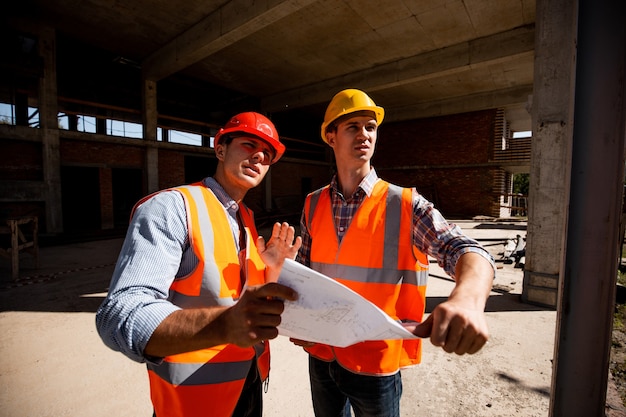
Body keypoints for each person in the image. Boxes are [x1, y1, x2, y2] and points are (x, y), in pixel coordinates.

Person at [291, 89, 496, 417]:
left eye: (370, 127)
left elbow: (467, 249)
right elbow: (306, 272)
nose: (364, 134)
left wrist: (468, 300)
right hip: (322, 354)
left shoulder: (404, 204)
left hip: (375, 363)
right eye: (353, 127)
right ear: (331, 137)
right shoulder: (313, 203)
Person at [96, 111, 302, 417]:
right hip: (191, 401)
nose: (259, 156)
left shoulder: (244, 218)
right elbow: (120, 315)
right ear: (220, 149)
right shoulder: (171, 209)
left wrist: (268, 268)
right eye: (248, 145)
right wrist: (224, 324)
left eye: (268, 154)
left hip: (247, 383)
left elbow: (235, 296)